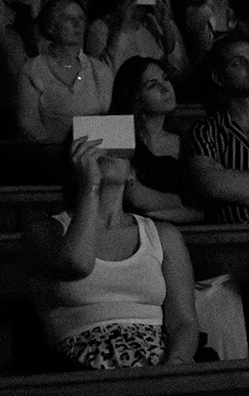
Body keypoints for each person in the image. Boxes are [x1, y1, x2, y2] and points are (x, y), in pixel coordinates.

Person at [24, 136, 202, 369]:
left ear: (132, 172)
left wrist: (174, 364)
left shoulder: (163, 234)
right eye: (94, 145)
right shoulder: (46, 230)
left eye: (117, 145)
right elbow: (76, 265)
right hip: (77, 369)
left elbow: (184, 321)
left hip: (156, 364)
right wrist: (89, 188)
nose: (107, 151)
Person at [183, 34, 249, 224]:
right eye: (237, 63)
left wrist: (241, 190)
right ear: (218, 77)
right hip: (229, 239)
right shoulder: (205, 129)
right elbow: (213, 184)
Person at [110, 57, 201, 223]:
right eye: (152, 85)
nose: (166, 88)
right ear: (134, 95)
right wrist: (175, 201)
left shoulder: (189, 140)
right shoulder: (116, 132)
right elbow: (134, 197)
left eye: (165, 79)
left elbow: (199, 210)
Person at [15, 0, 115, 143]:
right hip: (48, 155)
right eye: (68, 18)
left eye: (81, 18)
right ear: (51, 26)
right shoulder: (33, 70)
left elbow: (109, 119)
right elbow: (29, 123)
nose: (78, 24)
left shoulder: (100, 71)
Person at [88, 0, 189, 82]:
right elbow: (104, 76)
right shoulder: (100, 28)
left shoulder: (154, 23)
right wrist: (123, 27)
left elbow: (178, 68)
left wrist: (167, 25)